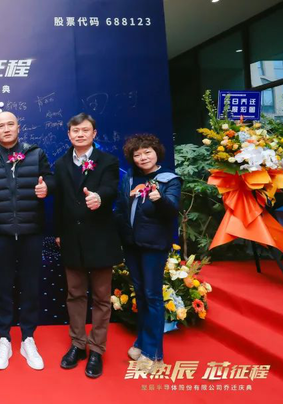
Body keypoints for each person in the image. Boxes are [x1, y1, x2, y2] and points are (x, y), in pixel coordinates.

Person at [0, 111, 54, 371]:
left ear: (18, 128)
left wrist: (47, 188)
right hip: (1, 232)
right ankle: (4, 338)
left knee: (30, 285)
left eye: (11, 124)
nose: (6, 129)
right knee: (2, 286)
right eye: (1, 126)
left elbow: (51, 179)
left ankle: (28, 338)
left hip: (31, 231)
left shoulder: (36, 153)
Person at [54, 113, 123, 378]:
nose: (80, 134)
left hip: (100, 238)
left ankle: (96, 349)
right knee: (74, 294)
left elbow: (111, 189)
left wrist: (99, 198)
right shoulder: (61, 164)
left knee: (102, 297)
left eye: (85, 130)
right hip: (71, 238)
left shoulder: (108, 161)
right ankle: (77, 344)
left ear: (94, 134)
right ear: (69, 135)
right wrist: (58, 232)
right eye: (75, 131)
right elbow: (59, 202)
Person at [114, 134, 181, 372]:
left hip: (154, 245)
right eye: (137, 154)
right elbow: (121, 208)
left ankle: (154, 355)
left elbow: (172, 210)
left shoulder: (169, 179)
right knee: (141, 295)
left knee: (152, 297)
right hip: (132, 244)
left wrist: (160, 199)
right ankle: (141, 343)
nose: (143, 157)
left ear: (156, 153)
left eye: (147, 152)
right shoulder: (130, 177)